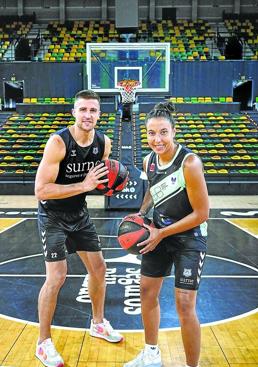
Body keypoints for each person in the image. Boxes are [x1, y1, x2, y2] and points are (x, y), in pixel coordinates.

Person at [34, 90, 123, 367]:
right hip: (53, 215)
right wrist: (83, 186)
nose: (88, 115)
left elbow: (102, 177)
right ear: (74, 112)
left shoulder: (103, 143)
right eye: (82, 110)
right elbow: (41, 190)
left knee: (99, 269)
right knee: (57, 276)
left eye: (93, 110)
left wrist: (111, 183)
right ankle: (43, 343)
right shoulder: (59, 142)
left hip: (79, 214)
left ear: (99, 114)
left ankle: (97, 323)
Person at [124, 102, 209, 367]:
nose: (157, 139)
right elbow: (152, 190)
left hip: (189, 237)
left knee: (184, 305)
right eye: (151, 133)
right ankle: (151, 355)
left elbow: (202, 213)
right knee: (146, 293)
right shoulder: (149, 161)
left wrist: (162, 232)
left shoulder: (190, 163)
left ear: (173, 131)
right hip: (158, 232)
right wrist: (141, 214)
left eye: (162, 132)